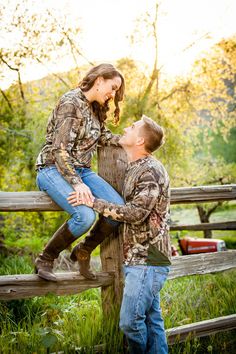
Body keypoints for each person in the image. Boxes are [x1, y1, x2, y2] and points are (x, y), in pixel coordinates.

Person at [68, 115, 172, 354]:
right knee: (151, 321)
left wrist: (93, 202)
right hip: (140, 257)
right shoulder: (136, 167)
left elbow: (136, 213)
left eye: (133, 127)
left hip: (149, 258)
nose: (126, 127)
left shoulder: (150, 170)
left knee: (129, 323)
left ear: (140, 140)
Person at [35, 63, 125, 282]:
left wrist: (126, 142)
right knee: (85, 216)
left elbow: (102, 137)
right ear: (99, 80)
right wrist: (77, 184)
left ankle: (83, 251)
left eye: (116, 91)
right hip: (52, 169)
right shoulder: (70, 102)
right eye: (112, 88)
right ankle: (46, 258)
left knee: (117, 210)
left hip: (82, 171)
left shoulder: (95, 107)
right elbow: (59, 149)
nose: (112, 95)